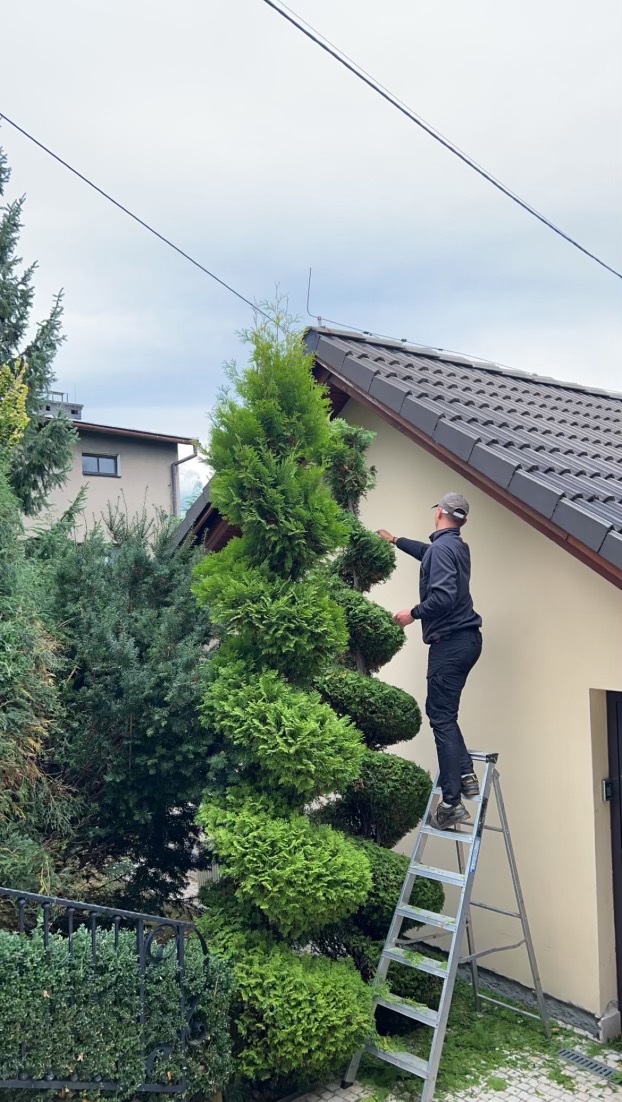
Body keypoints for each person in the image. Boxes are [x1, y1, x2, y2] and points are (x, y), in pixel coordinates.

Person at [377, 492, 482, 831]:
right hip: (466, 641)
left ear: (439, 512)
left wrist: (412, 614)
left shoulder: (442, 551)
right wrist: (396, 541)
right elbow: (427, 553)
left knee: (439, 716)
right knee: (445, 714)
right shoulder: (454, 547)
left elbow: (443, 596)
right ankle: (465, 775)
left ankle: (452, 803)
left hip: (449, 643)